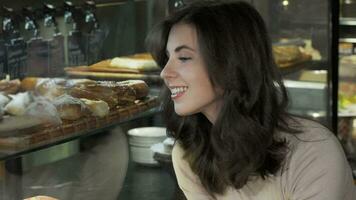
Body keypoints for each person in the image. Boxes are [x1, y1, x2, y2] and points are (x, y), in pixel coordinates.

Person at [146, 1, 356, 199]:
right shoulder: (189, 154)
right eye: (167, 58)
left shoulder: (313, 152)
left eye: (183, 58)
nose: (165, 72)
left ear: (231, 62)